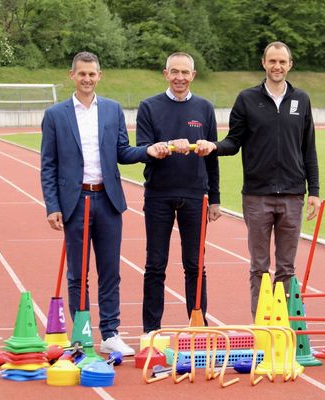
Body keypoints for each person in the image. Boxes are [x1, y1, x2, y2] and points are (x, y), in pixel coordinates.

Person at [41, 51, 157, 356]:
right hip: (74, 201)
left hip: (107, 199)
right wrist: (52, 205)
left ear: (99, 76)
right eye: (82, 74)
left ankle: (110, 332)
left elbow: (123, 152)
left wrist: (149, 151)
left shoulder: (112, 110)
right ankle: (80, 333)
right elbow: (48, 165)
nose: (87, 79)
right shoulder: (55, 115)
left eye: (92, 74)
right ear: (72, 76)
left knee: (110, 271)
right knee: (78, 273)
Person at [196, 41, 320, 319]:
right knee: (259, 267)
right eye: (272, 61)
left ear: (290, 65)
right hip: (257, 196)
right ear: (264, 63)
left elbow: (308, 148)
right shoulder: (247, 99)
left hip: (292, 195)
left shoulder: (302, 100)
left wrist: (314, 190)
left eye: (282, 62)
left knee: (287, 269)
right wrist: (214, 146)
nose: (277, 66)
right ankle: (262, 324)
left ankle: (285, 324)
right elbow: (234, 141)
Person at [136, 52, 221, 335]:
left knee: (195, 266)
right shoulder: (148, 107)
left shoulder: (205, 108)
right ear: (165, 73)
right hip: (159, 194)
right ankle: (151, 330)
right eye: (174, 72)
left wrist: (216, 199)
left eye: (185, 72)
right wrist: (166, 146)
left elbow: (212, 157)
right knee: (155, 265)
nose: (180, 78)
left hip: (196, 196)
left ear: (193, 75)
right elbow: (143, 149)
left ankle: (198, 326)